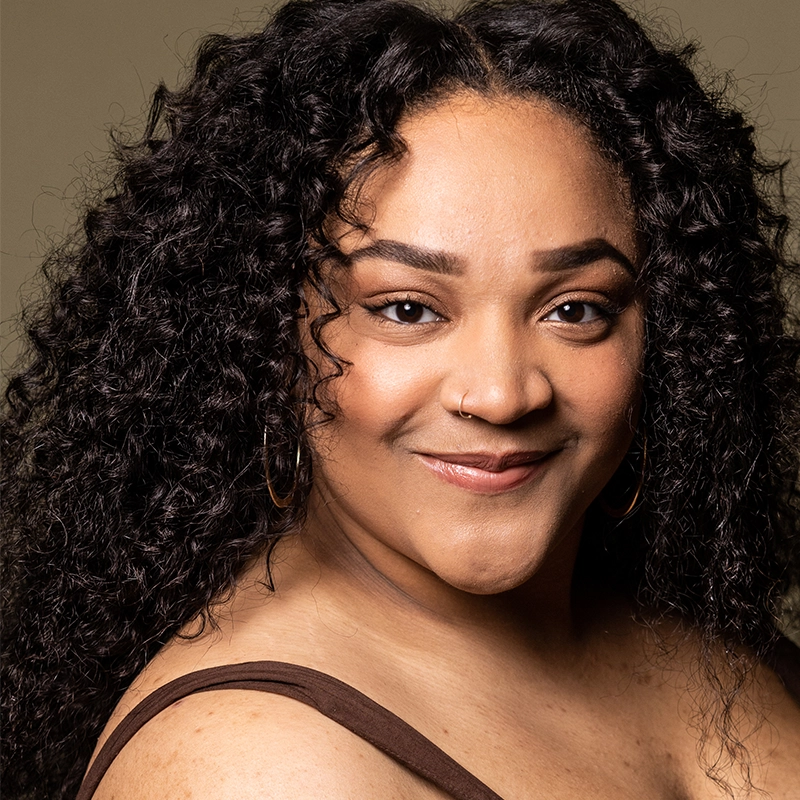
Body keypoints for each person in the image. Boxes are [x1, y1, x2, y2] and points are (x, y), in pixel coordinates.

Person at [2, 0, 799, 797]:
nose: (501, 394)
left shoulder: (694, 627)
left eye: (575, 309)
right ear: (264, 332)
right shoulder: (255, 767)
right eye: (409, 310)